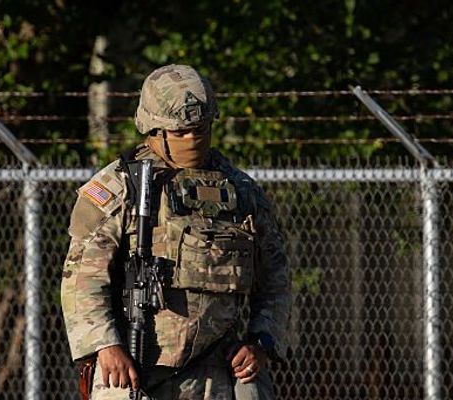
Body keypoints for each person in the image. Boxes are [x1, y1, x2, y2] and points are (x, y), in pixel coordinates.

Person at [61, 64, 290, 400]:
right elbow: (82, 277)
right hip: (136, 365)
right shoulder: (122, 186)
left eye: (200, 129)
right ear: (154, 131)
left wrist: (260, 342)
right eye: (181, 132)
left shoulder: (242, 192)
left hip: (220, 367)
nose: (192, 139)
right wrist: (105, 345)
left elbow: (275, 278)